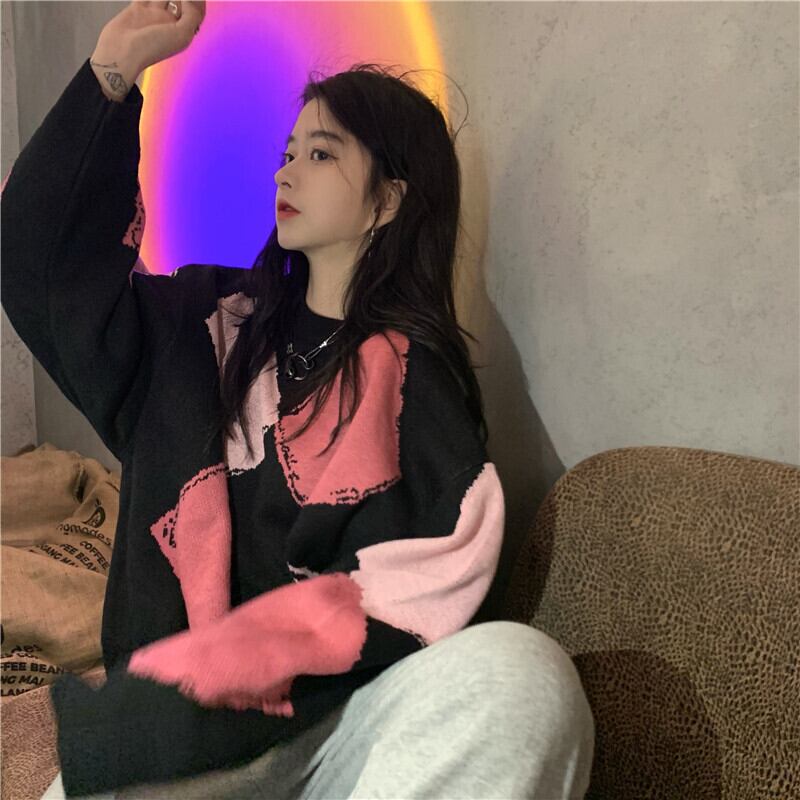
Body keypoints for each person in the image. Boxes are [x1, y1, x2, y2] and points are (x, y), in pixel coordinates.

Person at [2, 2, 594, 798]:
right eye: (288, 153)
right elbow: (40, 268)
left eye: (321, 153)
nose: (285, 173)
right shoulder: (196, 329)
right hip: (178, 737)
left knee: (523, 675)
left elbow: (419, 582)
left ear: (388, 200)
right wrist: (115, 66)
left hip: (338, 731)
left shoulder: (417, 380)